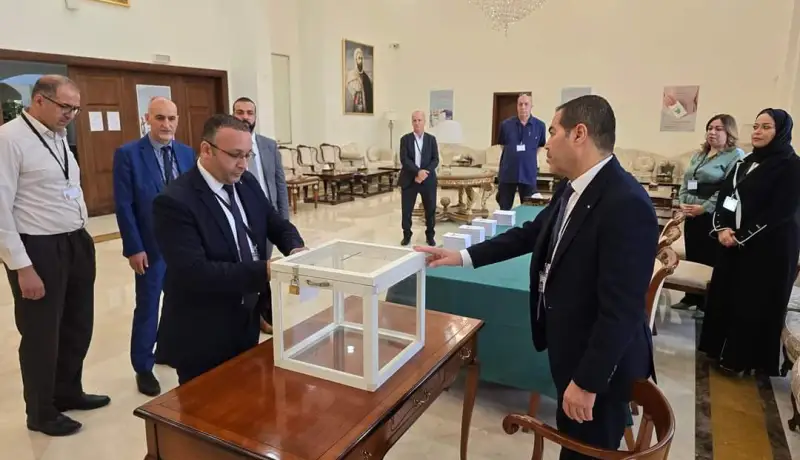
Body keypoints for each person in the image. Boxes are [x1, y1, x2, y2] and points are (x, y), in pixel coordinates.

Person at [416, 95, 657, 459]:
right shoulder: (573, 186)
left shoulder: (626, 203)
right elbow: (531, 234)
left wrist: (587, 383)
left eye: (553, 132)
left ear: (579, 134)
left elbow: (621, 310)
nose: (545, 143)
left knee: (587, 452)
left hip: (600, 372)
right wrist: (462, 255)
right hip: (571, 352)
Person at [152, 114, 306, 384]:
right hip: (203, 330)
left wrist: (295, 248)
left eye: (247, 155)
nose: (243, 164)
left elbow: (274, 222)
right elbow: (195, 273)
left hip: (246, 317)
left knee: (247, 392)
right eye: (235, 155)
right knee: (207, 402)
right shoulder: (174, 201)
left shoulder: (247, 182)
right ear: (206, 150)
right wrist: (266, 270)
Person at [0, 75, 109, 436]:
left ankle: (67, 391)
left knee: (78, 324)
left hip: (75, 241)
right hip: (39, 248)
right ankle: (41, 411)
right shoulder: (9, 139)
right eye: (65, 107)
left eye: (76, 108)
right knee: (41, 333)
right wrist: (22, 266)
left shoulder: (58, 136)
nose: (71, 115)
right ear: (39, 101)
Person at [699, 108, 800, 376]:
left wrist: (742, 236)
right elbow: (728, 197)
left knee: (753, 303)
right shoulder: (745, 162)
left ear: (781, 131)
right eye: (755, 126)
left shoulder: (791, 165)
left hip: (769, 250)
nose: (757, 131)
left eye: (766, 127)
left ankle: (744, 359)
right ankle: (721, 350)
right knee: (727, 296)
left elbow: (781, 211)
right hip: (733, 243)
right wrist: (723, 227)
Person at [112, 96, 196, 396]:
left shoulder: (186, 153)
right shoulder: (128, 154)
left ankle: (168, 350)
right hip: (150, 247)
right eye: (160, 118)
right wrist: (134, 247)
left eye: (171, 118)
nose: (166, 124)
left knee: (181, 301)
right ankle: (143, 366)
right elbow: (124, 205)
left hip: (184, 247)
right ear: (147, 119)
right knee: (148, 306)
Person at [672, 114, 744, 316]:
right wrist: (683, 201)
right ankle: (690, 297)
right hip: (691, 212)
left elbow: (728, 188)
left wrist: (704, 208)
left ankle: (706, 302)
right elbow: (688, 180)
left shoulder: (735, 155)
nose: (712, 132)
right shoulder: (700, 154)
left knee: (708, 257)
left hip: (713, 214)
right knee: (693, 252)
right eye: (710, 128)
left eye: (718, 129)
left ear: (729, 132)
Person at [232, 96, 291, 334]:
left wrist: (283, 221)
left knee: (265, 268)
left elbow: (279, 183)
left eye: (249, 113)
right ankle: (253, 316)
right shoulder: (229, 149)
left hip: (267, 218)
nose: (245, 117)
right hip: (241, 219)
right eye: (240, 112)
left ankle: (265, 314)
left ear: (255, 117)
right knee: (250, 268)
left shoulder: (268, 145)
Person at [496, 93, 547, 210]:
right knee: (504, 207)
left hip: (528, 172)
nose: (523, 107)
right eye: (520, 104)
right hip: (508, 172)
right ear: (517, 106)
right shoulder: (506, 125)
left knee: (528, 207)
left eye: (526, 104)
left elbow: (540, 146)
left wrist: (526, 156)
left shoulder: (540, 126)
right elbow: (503, 145)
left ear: (531, 106)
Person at [398, 110, 439, 247]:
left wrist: (424, 173)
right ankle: (407, 235)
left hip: (428, 180)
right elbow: (404, 159)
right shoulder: (405, 139)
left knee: (430, 209)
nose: (417, 123)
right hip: (410, 179)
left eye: (419, 120)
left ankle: (430, 235)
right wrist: (417, 172)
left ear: (424, 122)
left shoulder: (431, 139)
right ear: (412, 122)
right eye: (414, 120)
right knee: (406, 210)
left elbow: (435, 159)